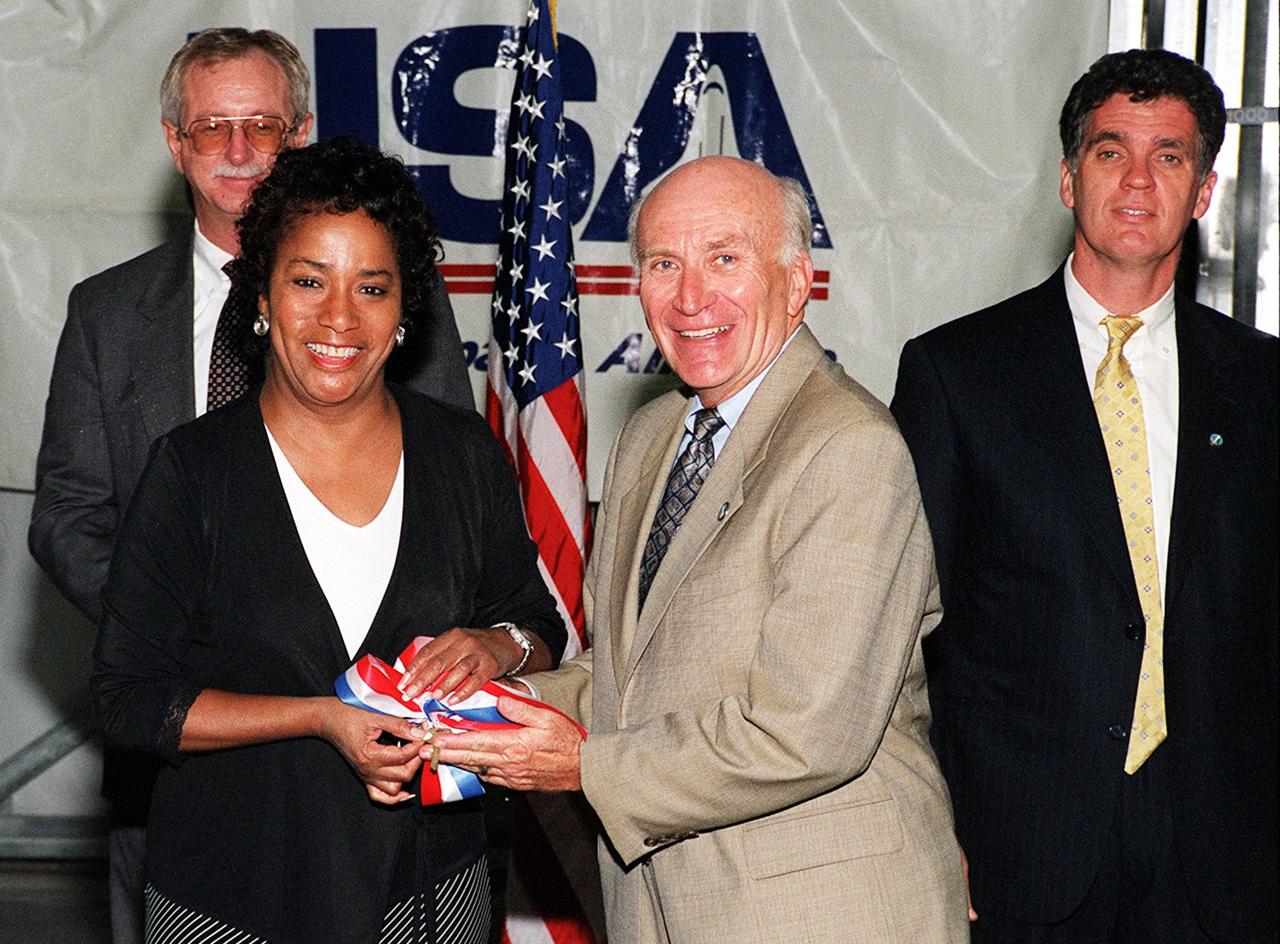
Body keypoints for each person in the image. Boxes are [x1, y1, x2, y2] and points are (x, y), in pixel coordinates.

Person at [408, 155, 969, 943]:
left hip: (820, 912)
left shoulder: (849, 448)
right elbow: (624, 681)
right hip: (661, 908)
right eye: (664, 263)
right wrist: (491, 710)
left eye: (725, 258)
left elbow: (805, 734)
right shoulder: (649, 436)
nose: (691, 296)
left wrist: (580, 766)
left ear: (798, 280)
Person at [28, 28, 472, 942]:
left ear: (300, 133)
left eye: (262, 127)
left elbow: (452, 505)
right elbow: (69, 515)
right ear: (173, 143)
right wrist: (186, 635)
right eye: (211, 128)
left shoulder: (394, 302)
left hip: (383, 772)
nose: (237, 152)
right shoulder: (107, 313)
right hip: (182, 753)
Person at [89, 136, 565, 944]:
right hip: (231, 893)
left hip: (427, 892)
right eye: (308, 280)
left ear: (404, 307)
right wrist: (316, 716)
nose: (339, 317)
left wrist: (497, 644)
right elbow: (130, 701)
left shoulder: (462, 454)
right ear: (263, 297)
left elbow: (539, 628)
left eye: (371, 287)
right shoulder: (194, 470)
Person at [891, 49, 1277, 943]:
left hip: (1226, 856)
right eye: (1111, 152)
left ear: (1206, 191)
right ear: (1069, 179)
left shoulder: (1263, 385)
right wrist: (928, 823)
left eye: (1170, 156)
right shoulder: (957, 374)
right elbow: (905, 630)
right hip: (1019, 852)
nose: (1139, 180)